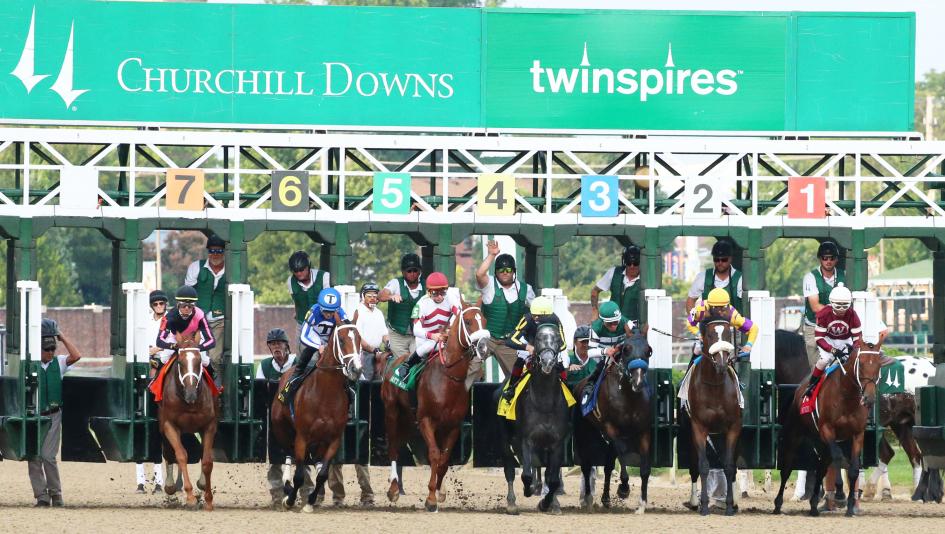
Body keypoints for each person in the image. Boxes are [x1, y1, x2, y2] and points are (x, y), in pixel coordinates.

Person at [256, 328, 313, 508]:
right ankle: (277, 495)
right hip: (276, 419)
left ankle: (307, 494)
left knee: (304, 457)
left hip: (299, 418)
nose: (276, 347)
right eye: (273, 344)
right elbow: (260, 391)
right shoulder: (264, 366)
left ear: (287, 346)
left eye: (279, 344)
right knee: (275, 458)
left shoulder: (299, 363)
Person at [28, 318, 81, 507]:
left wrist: (61, 337)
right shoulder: (30, 364)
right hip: (33, 416)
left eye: (53, 349)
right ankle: (41, 497)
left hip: (53, 415)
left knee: (48, 456)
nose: (51, 352)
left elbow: (76, 355)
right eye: (47, 349)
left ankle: (56, 494)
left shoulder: (59, 362)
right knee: (34, 457)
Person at [473, 240, 535, 383]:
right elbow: (479, 274)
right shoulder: (489, 285)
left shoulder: (526, 289)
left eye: (508, 270)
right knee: (468, 369)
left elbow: (536, 313)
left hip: (509, 342)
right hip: (487, 338)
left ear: (514, 271)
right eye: (501, 270)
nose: (505, 273)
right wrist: (492, 255)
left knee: (518, 379)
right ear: (496, 272)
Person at [278, 287, 348, 404]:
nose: (329, 314)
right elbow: (304, 335)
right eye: (326, 311)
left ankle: (350, 395)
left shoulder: (341, 312)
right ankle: (287, 391)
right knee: (305, 366)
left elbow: (348, 329)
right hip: (312, 339)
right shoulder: (313, 311)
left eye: (332, 312)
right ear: (320, 307)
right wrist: (318, 346)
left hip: (330, 342)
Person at [396, 271, 461, 380]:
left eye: (443, 292)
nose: (439, 297)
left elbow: (460, 315)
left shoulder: (450, 297)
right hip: (426, 339)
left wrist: (450, 330)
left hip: (446, 337)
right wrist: (432, 336)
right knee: (430, 344)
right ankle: (407, 366)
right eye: (435, 293)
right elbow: (416, 330)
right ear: (429, 292)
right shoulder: (421, 304)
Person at [502, 296, 567, 399]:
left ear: (548, 314)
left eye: (539, 316)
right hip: (530, 344)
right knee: (520, 360)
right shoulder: (527, 318)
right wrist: (527, 347)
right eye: (533, 314)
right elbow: (510, 339)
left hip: (549, 347)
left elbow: (563, 344)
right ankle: (511, 389)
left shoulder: (555, 319)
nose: (535, 318)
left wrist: (551, 350)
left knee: (559, 362)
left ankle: (566, 388)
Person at [136, 290, 168, 494]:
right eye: (155, 304)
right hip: (147, 367)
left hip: (162, 365)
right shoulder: (145, 322)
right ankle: (140, 480)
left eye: (161, 303)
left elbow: (168, 348)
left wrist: (154, 351)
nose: (159, 306)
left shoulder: (170, 321)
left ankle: (159, 480)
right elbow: (141, 346)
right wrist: (152, 351)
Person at [804, 283, 861, 399]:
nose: (841, 309)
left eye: (844, 305)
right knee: (824, 360)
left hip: (845, 340)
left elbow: (857, 338)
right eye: (838, 306)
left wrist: (854, 349)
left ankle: (861, 386)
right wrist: (832, 350)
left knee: (856, 360)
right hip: (828, 339)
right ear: (832, 303)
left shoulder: (853, 315)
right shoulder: (824, 314)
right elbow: (819, 338)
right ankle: (811, 385)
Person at [185, 234, 226, 382]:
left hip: (219, 320)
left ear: (224, 252)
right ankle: (195, 384)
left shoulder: (230, 269)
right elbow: (188, 294)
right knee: (195, 356)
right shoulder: (196, 267)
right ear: (208, 252)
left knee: (214, 358)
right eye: (212, 251)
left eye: (219, 251)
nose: (215, 254)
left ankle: (217, 388)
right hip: (199, 321)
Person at [153, 285, 217, 377]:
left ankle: (213, 380)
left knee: (205, 360)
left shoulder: (200, 315)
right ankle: (156, 381)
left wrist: (198, 347)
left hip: (194, 340)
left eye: (190, 306)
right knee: (164, 358)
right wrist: (172, 346)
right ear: (178, 304)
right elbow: (159, 340)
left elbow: (211, 340)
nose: (186, 308)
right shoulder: (168, 317)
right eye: (183, 305)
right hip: (175, 339)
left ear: (194, 305)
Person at [579, 301, 635, 404]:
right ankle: (588, 391)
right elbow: (589, 352)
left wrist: (631, 336)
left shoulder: (627, 323)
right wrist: (605, 351)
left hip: (622, 353)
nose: (614, 326)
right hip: (603, 357)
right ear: (602, 321)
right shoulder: (596, 328)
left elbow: (639, 339)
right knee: (598, 369)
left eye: (616, 322)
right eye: (609, 323)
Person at [802, 241, 845, 369]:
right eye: (825, 258)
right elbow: (815, 307)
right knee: (817, 367)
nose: (828, 261)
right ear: (820, 259)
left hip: (838, 327)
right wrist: (839, 311)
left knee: (840, 366)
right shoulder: (810, 277)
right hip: (814, 327)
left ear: (836, 259)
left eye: (831, 258)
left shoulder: (844, 275)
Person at [379, 253, 424, 359]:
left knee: (418, 361)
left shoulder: (425, 285)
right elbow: (380, 296)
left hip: (417, 336)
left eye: (415, 270)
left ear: (419, 271)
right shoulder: (395, 283)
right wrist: (391, 296)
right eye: (409, 271)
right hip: (397, 335)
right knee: (401, 363)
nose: (412, 273)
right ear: (403, 272)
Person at [686, 240, 743, 314]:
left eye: (724, 260)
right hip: (707, 320)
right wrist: (694, 318)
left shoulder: (740, 279)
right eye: (716, 260)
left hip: (734, 320)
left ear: (730, 259)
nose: (720, 263)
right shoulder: (703, 277)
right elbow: (690, 300)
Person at [287, 250, 331, 343]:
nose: (299, 273)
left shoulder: (324, 277)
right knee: (300, 351)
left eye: (301, 269)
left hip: (322, 325)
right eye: (295, 271)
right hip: (302, 325)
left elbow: (330, 302)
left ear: (308, 266)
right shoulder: (290, 281)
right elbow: (296, 302)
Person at [591, 245, 643, 323]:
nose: (632, 266)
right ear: (624, 262)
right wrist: (595, 312)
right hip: (611, 324)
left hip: (633, 325)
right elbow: (595, 291)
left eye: (635, 263)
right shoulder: (613, 272)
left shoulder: (646, 279)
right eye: (629, 263)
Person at [352, 283, 389, 382]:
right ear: (362, 296)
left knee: (382, 381)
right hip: (364, 354)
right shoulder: (358, 311)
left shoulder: (378, 313)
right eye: (369, 296)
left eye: (375, 296)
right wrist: (374, 350)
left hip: (378, 353)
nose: (372, 298)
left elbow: (384, 334)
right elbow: (358, 337)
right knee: (366, 382)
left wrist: (388, 343)